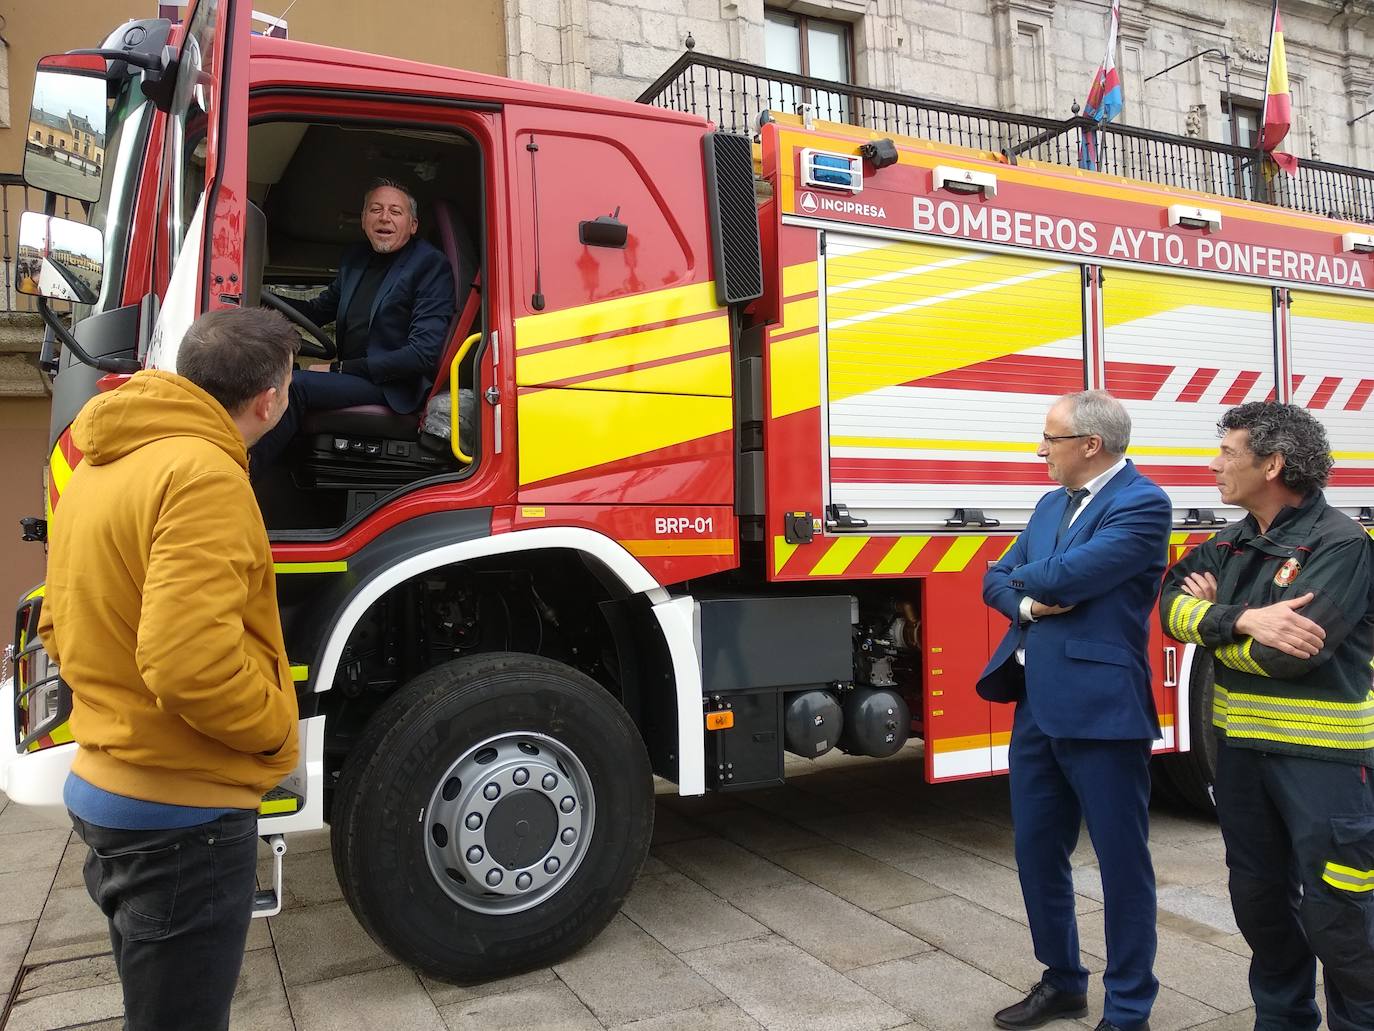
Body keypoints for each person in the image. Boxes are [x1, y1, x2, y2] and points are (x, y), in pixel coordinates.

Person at [38, 307, 303, 1031]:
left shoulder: (101, 460)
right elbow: (189, 661)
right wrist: (277, 728)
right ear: (269, 399)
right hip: (182, 816)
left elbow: (58, 622)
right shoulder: (205, 475)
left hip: (109, 785)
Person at [1160, 401, 1374, 1030]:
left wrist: (1212, 625)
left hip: (1325, 768)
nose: (1214, 464)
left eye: (1228, 452)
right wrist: (1245, 619)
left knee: (1340, 916)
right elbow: (1170, 607)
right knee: (1259, 906)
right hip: (1243, 761)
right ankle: (1281, 1021)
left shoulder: (1342, 544)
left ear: (1273, 464)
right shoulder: (1231, 542)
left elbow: (1291, 657)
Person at [979, 390, 1171, 1031]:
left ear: (1090, 445)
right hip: (1036, 704)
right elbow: (994, 580)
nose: (1040, 451)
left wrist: (1030, 579)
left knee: (1122, 865)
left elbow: (1057, 577)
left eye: (1049, 439)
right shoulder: (1049, 503)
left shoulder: (1143, 504)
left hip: (1102, 710)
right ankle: (1062, 981)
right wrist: (1027, 603)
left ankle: (1128, 1009)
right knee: (1036, 852)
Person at [251, 177, 456, 470]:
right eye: (375, 209)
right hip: (354, 377)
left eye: (395, 212)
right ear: (363, 220)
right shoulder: (355, 259)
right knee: (278, 375)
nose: (384, 217)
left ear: (412, 225)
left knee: (295, 386)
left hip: (392, 387)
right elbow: (317, 311)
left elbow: (423, 353)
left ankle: (243, 474)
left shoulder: (429, 265)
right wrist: (259, 297)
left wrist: (340, 368)